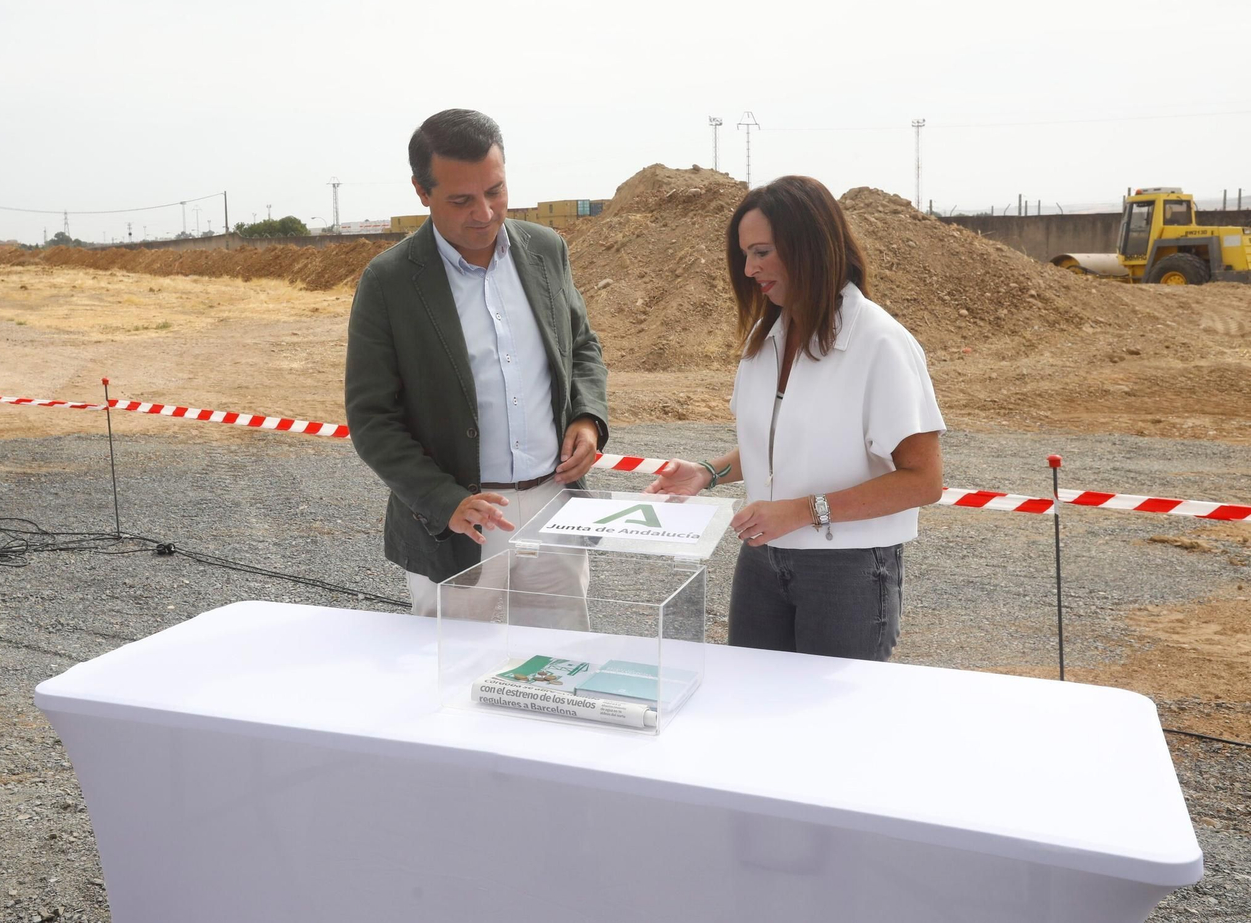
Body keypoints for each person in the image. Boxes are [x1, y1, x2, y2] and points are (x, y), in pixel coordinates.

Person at [646, 176, 944, 661]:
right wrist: (707, 473)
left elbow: (923, 481)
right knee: (755, 704)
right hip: (763, 560)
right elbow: (774, 444)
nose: (749, 269)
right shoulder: (766, 340)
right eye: (745, 255)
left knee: (831, 726)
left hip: (846, 573)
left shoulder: (881, 344)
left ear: (808, 246)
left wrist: (803, 511)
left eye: (761, 252)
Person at [346, 109, 609, 621]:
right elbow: (373, 419)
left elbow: (581, 348)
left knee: (558, 671)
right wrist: (444, 500)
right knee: (450, 683)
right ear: (422, 192)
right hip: (459, 524)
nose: (485, 213)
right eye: (461, 199)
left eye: (495, 191)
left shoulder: (546, 250)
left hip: (555, 509)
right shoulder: (389, 282)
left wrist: (587, 418)